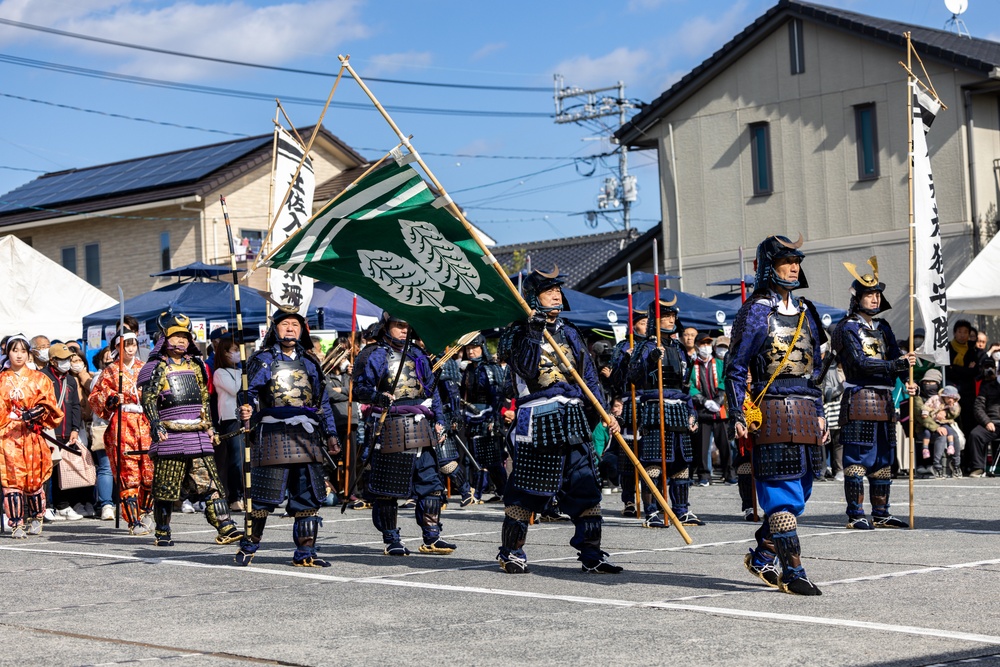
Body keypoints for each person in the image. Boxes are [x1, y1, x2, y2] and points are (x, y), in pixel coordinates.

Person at [496, 267, 622, 574]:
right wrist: (534, 330)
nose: (556, 295)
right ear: (533, 298)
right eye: (549, 291)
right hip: (538, 418)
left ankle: (591, 554)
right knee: (527, 490)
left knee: (585, 488)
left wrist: (603, 414)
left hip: (573, 418)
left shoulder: (570, 332)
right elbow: (524, 369)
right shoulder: (517, 332)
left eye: (557, 290)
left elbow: (588, 377)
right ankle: (511, 552)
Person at [726, 234, 827, 596]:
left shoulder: (806, 312)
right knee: (781, 497)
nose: (793, 266)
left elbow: (815, 370)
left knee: (802, 492)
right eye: (786, 260)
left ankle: (762, 556)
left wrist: (819, 412)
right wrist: (738, 412)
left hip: (804, 411)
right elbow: (735, 367)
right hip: (770, 410)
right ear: (769, 266)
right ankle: (794, 571)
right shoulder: (754, 311)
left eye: (796, 260)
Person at [234, 306, 340, 567]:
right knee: (262, 496)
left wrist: (331, 434)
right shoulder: (263, 359)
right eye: (284, 324)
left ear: (302, 330)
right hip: (273, 433)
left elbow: (322, 401)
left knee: (307, 497)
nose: (290, 328)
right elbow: (247, 392)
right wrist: (245, 406)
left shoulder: (310, 362)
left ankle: (305, 553)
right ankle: (249, 546)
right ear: (275, 328)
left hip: (307, 436)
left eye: (295, 324)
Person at [352, 312, 457, 557]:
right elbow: (359, 389)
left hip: (421, 426)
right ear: (386, 326)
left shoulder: (419, 355)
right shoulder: (371, 354)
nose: (404, 330)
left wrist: (440, 421)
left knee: (431, 485)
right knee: (388, 489)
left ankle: (432, 537)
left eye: (408, 326)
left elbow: (432, 394)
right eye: (400, 325)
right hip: (390, 425)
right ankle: (392, 539)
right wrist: (377, 397)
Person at [139, 313, 243, 547]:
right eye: (175, 336)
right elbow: (148, 399)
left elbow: (204, 399)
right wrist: (155, 424)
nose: (181, 341)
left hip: (197, 432)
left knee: (211, 482)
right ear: (163, 338)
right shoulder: (155, 366)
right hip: (169, 433)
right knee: (166, 486)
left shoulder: (196, 365)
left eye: (184, 337)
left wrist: (209, 426)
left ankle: (225, 526)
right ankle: (163, 531)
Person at [833, 257, 915, 530]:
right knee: (857, 460)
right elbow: (858, 363)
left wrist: (907, 379)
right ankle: (856, 514)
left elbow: (896, 356)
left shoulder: (885, 328)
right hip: (859, 396)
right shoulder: (846, 328)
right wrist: (896, 365)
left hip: (884, 400)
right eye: (869, 294)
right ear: (858, 298)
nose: (874, 299)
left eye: (877, 294)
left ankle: (881, 512)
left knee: (883, 460)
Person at [628, 296, 704, 528]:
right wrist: (651, 360)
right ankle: (652, 511)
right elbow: (632, 377)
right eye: (666, 316)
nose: (671, 320)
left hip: (679, 406)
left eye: (673, 316)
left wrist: (691, 412)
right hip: (654, 406)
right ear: (656, 319)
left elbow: (685, 385)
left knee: (682, 461)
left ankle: (681, 510)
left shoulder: (680, 349)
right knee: (653, 462)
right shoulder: (646, 346)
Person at [89, 331, 154, 535]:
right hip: (123, 423)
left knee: (149, 471)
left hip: (144, 422)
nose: (129, 348)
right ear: (117, 347)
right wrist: (111, 399)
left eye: (133, 344)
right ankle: (133, 519)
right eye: (125, 344)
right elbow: (96, 396)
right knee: (128, 472)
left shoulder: (145, 368)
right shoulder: (110, 371)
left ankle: (146, 510)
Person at [0, 335, 63, 537]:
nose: (19, 355)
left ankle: (36, 516)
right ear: (7, 353)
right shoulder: (1, 379)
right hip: (8, 434)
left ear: (29, 354)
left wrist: (36, 412)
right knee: (12, 479)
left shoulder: (40, 379)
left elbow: (50, 405)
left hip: (32, 433)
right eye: (14, 350)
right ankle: (16, 522)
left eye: (23, 351)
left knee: (34, 479)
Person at [607, 308, 648, 518]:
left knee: (650, 455)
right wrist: (625, 361)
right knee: (628, 458)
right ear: (634, 325)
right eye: (642, 322)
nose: (646, 326)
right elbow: (614, 380)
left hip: (650, 401)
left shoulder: (654, 345)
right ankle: (629, 500)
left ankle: (652, 501)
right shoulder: (622, 347)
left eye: (648, 322)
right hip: (629, 401)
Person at [40, 342, 86, 521]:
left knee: (63, 472)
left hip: (67, 431)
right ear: (52, 360)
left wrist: (75, 428)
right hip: (49, 430)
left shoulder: (71, 380)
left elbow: (75, 406)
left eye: (68, 359)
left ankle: (62, 506)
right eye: (62, 359)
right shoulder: (43, 377)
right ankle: (45, 506)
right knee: (46, 470)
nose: (66, 362)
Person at [460, 333, 508, 504]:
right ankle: (498, 491)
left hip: (488, 415)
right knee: (475, 456)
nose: (471, 351)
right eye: (468, 348)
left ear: (482, 347)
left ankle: (483, 492)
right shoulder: (469, 369)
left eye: (474, 347)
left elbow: (497, 396)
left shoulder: (490, 368)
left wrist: (494, 420)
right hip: (471, 415)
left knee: (492, 458)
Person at [690, 332, 734, 486]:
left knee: (725, 445)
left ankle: (729, 473)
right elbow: (690, 387)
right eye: (702, 344)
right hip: (702, 411)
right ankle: (704, 476)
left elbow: (725, 380)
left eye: (708, 344)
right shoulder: (692, 366)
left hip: (720, 411)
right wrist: (704, 401)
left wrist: (719, 400)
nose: (705, 347)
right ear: (696, 346)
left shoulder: (720, 363)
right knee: (702, 447)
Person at [212, 335, 245, 510]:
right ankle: (235, 496)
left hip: (246, 416)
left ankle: (247, 494)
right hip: (230, 417)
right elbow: (235, 390)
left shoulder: (240, 371)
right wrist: (246, 375)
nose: (238, 354)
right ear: (224, 353)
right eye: (234, 350)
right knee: (236, 459)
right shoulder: (219, 373)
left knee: (247, 458)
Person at [918, 385, 962, 478]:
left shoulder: (953, 403)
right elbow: (925, 408)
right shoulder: (934, 399)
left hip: (944, 423)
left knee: (955, 435)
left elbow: (955, 413)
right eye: (949, 397)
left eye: (953, 398)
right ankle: (937, 466)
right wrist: (929, 414)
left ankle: (956, 464)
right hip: (930, 425)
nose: (951, 399)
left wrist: (950, 408)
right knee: (941, 436)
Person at [966, 364, 1000, 477]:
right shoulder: (988, 387)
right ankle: (978, 467)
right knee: (975, 434)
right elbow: (978, 407)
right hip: (993, 422)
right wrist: (987, 421)